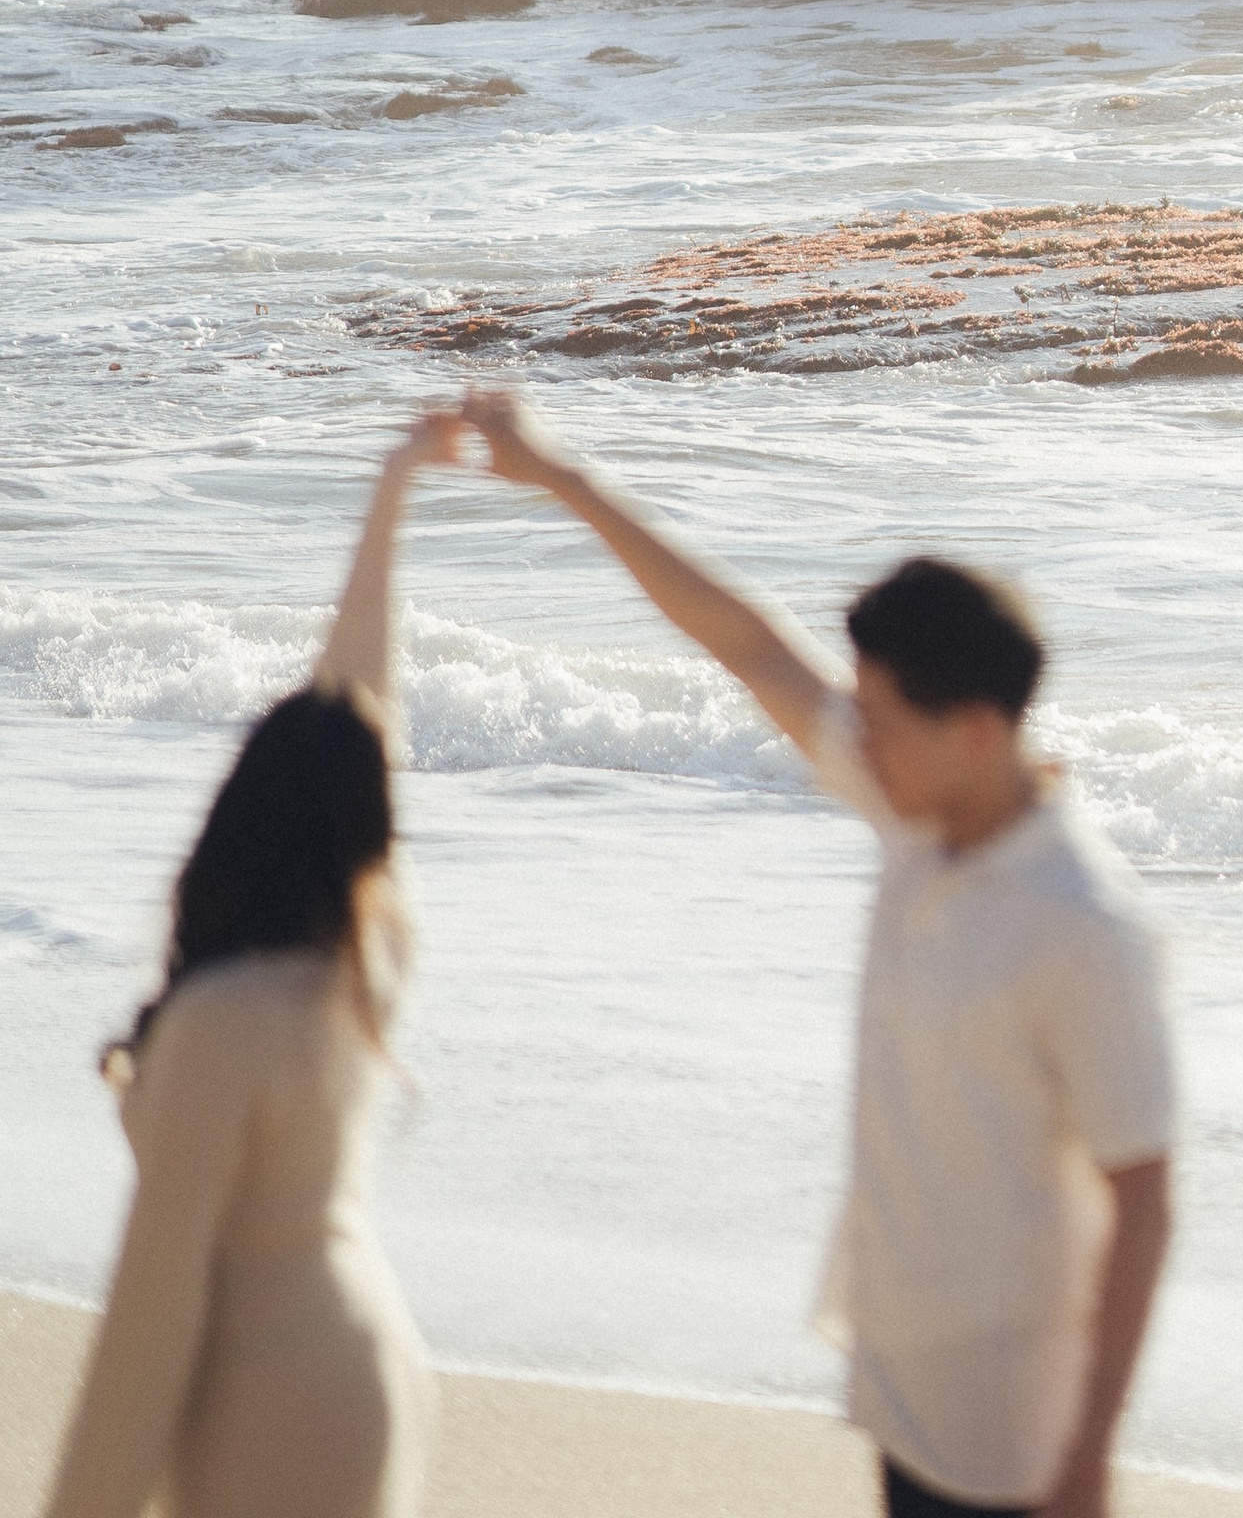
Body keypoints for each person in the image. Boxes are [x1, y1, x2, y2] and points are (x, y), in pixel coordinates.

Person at [459, 384, 1174, 1518]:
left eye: (877, 720)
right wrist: (561, 478)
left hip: (1016, 1443)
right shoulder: (918, 817)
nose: (855, 739)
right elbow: (745, 642)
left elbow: (1142, 1197)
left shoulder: (1083, 925)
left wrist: (1088, 1458)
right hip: (901, 1391)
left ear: (974, 732)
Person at [44, 409, 468, 1518]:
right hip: (367, 1357)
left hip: (271, 1395)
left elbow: (153, 1313)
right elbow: (364, 718)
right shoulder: (361, 967)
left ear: (231, 824)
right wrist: (391, 497)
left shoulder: (222, 1020)